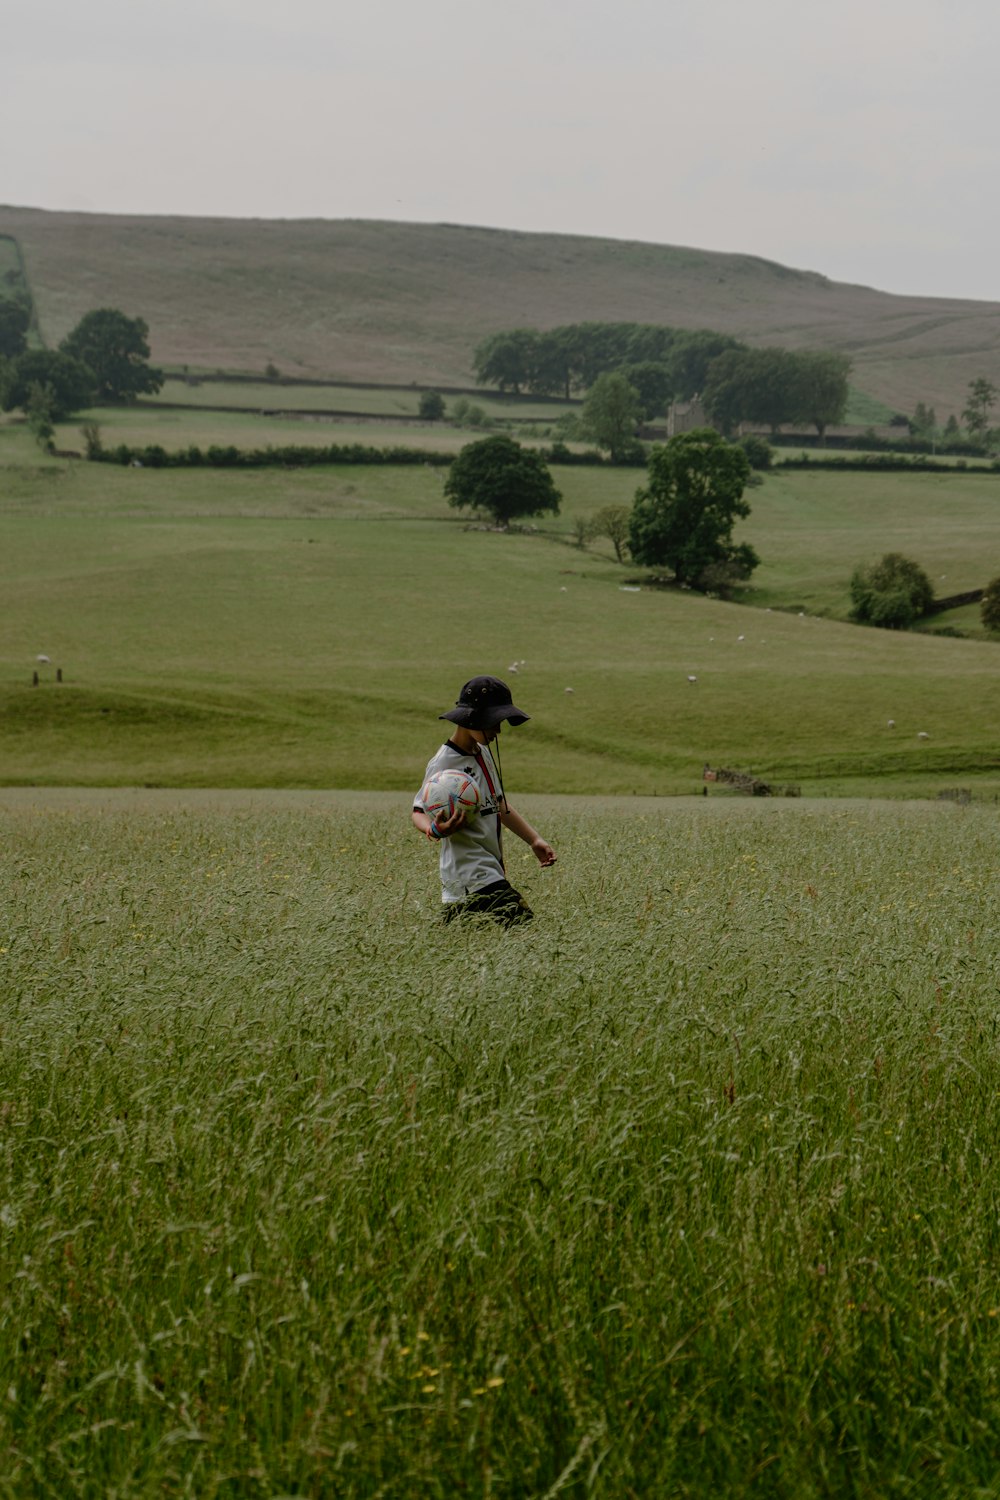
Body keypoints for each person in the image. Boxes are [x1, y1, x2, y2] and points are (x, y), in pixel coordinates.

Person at [412, 675, 557, 924]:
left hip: (482, 873)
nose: (497, 731)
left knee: (462, 946)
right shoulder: (445, 762)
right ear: (472, 718)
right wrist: (435, 829)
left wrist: (534, 840)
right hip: (472, 872)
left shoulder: (484, 753)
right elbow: (417, 811)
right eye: (493, 723)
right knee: (525, 928)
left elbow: (499, 804)